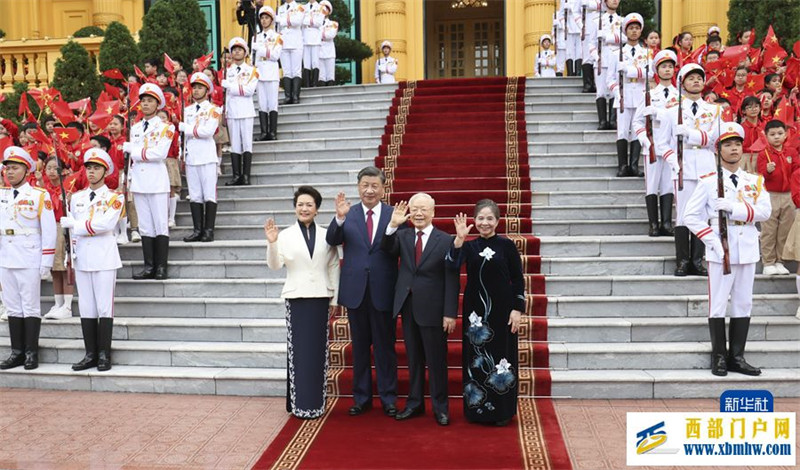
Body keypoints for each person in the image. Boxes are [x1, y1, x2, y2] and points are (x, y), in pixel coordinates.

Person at [683, 122, 770, 377]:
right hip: (721, 247)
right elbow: (690, 216)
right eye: (727, 145)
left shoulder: (753, 181)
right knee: (718, 304)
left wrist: (734, 207)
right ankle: (719, 356)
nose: (734, 149)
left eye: (737, 144)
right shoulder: (709, 182)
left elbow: (765, 211)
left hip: (746, 245)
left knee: (743, 303)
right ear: (718, 150)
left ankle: (738, 357)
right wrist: (712, 241)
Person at [326, 167, 400, 418]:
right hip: (356, 290)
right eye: (365, 185)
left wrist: (392, 228)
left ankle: (389, 398)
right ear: (358, 187)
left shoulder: (394, 214)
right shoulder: (349, 213)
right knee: (359, 348)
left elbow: (396, 249)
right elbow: (332, 240)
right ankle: (361, 397)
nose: (369, 190)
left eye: (374, 185)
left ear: (383, 188)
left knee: (385, 348)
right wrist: (338, 218)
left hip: (383, 289)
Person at [381, 193, 459, 426]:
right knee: (414, 360)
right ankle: (414, 404)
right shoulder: (402, 236)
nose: (418, 213)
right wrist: (392, 225)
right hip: (408, 306)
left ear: (433, 212)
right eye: (414, 209)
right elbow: (386, 249)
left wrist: (449, 312)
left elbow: (452, 278)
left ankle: (440, 408)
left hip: (434, 310)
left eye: (423, 209)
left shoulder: (445, 240)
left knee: (436, 361)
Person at [265, 186, 340, 419]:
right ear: (295, 208)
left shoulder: (327, 234)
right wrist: (272, 243)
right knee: (298, 351)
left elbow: (333, 265)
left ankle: (317, 404)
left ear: (317, 209)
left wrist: (334, 298)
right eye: (300, 205)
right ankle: (299, 404)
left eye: (309, 205)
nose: (304, 208)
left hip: (319, 298)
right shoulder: (284, 235)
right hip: (296, 298)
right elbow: (275, 265)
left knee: (317, 352)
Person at [450, 201, 524, 426]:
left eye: (489, 218)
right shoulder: (469, 247)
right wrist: (459, 239)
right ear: (474, 220)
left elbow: (518, 279)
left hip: (503, 313)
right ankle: (477, 411)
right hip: (476, 317)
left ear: (497, 221)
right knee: (476, 359)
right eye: (480, 218)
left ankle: (502, 411)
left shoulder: (507, 246)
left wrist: (517, 309)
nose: (484, 223)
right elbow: (451, 266)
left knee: (502, 360)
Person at [655, 63, 723, 277]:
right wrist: (673, 161)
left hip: (705, 164)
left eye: (699, 78)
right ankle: (683, 261)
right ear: (682, 83)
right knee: (684, 215)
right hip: (682, 166)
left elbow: (715, 141)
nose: (696, 81)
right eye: (691, 78)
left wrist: (692, 135)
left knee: (702, 214)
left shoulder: (714, 110)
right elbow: (662, 143)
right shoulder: (670, 111)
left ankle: (698, 260)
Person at [59, 148, 124, 372]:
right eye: (89, 168)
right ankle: (90, 354)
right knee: (87, 307)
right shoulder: (76, 198)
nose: (92, 172)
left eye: (97, 168)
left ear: (105, 171)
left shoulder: (115, 198)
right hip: (82, 257)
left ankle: (105, 354)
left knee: (105, 307)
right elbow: (72, 234)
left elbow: (105, 225)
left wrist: (75, 226)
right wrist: (71, 251)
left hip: (104, 257)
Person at [0, 146, 57, 370]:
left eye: (14, 168)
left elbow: (49, 231)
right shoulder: (2, 195)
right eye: (7, 169)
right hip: (6, 256)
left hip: (29, 255)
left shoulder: (38, 195)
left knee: (30, 306)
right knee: (12, 306)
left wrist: (47, 261)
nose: (10, 172)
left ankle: (31, 352)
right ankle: (17, 352)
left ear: (26, 170)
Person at [122, 83, 174, 281]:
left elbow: (159, 153)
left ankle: (161, 267)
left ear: (157, 104)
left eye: (150, 101)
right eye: (143, 101)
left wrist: (133, 151)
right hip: (140, 181)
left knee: (160, 223)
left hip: (157, 179)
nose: (145, 104)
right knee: (145, 226)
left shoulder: (165, 127)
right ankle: (149, 266)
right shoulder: (134, 129)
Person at [635, 49, 678, 237]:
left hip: (671, 147)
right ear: (657, 71)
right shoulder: (650, 95)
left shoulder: (680, 96)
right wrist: (643, 137)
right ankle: (653, 224)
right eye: (664, 67)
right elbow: (637, 121)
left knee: (668, 185)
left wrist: (660, 114)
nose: (667, 70)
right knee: (652, 185)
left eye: (670, 67)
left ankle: (667, 223)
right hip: (652, 146)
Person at [607, 13, 652, 178]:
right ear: (625, 31)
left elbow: (651, 74)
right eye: (631, 28)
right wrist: (616, 92)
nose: (634, 31)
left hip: (639, 95)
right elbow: (610, 79)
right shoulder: (615, 53)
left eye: (637, 28)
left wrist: (630, 70)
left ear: (641, 31)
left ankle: (634, 166)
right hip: (623, 95)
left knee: (637, 130)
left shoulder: (647, 53)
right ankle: (623, 166)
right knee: (622, 132)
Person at [180, 72, 221, 243]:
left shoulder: (213, 110)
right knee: (195, 195)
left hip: (207, 155)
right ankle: (197, 230)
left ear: (207, 90)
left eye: (200, 88)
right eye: (194, 88)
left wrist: (187, 129)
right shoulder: (187, 110)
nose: (196, 91)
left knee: (209, 194)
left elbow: (208, 132)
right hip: (192, 156)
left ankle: (209, 230)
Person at [757, 119, 798, 275]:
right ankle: (768, 262)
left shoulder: (791, 153)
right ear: (766, 136)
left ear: (786, 134)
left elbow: (796, 171)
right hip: (770, 195)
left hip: (788, 195)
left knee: (785, 230)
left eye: (780, 133)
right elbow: (759, 176)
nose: (776, 137)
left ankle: (780, 261)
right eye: (772, 134)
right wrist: (766, 170)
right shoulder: (763, 154)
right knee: (769, 229)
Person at [38, 157, 74, 320]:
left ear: (63, 170)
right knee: (54, 268)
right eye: (48, 168)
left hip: (63, 226)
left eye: (55, 168)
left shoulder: (67, 187)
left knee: (65, 267)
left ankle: (67, 305)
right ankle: (57, 302)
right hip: (49, 228)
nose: (51, 171)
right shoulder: (43, 189)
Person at [221, 37, 259, 186]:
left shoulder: (252, 70)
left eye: (240, 49)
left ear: (245, 52)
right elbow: (225, 97)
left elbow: (249, 90)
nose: (237, 52)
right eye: (234, 50)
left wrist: (230, 87)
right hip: (232, 111)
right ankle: (236, 176)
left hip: (246, 110)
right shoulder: (227, 71)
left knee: (247, 143)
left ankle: (246, 175)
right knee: (235, 144)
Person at [252, 6, 283, 142]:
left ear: (271, 20)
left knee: (272, 104)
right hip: (260, 72)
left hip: (271, 72)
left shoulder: (277, 37)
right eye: (262, 18)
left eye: (266, 18)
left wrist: (261, 49)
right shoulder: (255, 37)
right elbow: (253, 58)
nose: (264, 21)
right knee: (262, 104)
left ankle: (273, 132)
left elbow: (275, 55)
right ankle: (264, 132)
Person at [595, 0, 622, 131]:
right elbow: (591, 44)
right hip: (602, 59)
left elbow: (626, 38)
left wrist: (607, 37)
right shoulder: (597, 21)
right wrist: (596, 58)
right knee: (600, 91)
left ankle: (612, 120)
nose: (615, 1)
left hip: (617, 59)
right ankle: (602, 121)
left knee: (614, 91)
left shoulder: (623, 21)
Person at [277, 0, 305, 104]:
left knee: (296, 70)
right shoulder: (280, 9)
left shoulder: (300, 7)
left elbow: (297, 21)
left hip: (295, 42)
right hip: (284, 42)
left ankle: (296, 96)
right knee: (286, 70)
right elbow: (278, 25)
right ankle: (288, 96)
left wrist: (282, 20)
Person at [302, 0, 324, 88]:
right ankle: (307, 84)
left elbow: (319, 22)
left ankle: (314, 83)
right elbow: (301, 21)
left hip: (315, 37)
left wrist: (308, 21)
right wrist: (312, 21)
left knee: (315, 61)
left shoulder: (321, 7)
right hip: (305, 37)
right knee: (306, 62)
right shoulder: (303, 8)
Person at [558, 0, 583, 77]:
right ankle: (570, 72)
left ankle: (578, 72)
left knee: (579, 51)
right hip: (569, 27)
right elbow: (561, 15)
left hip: (580, 26)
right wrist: (564, 25)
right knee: (569, 51)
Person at [318, 1, 338, 87]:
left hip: (329, 50)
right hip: (318, 50)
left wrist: (319, 35)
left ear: (328, 11)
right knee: (321, 76)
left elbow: (331, 35)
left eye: (325, 9)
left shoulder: (333, 24)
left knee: (330, 75)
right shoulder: (316, 24)